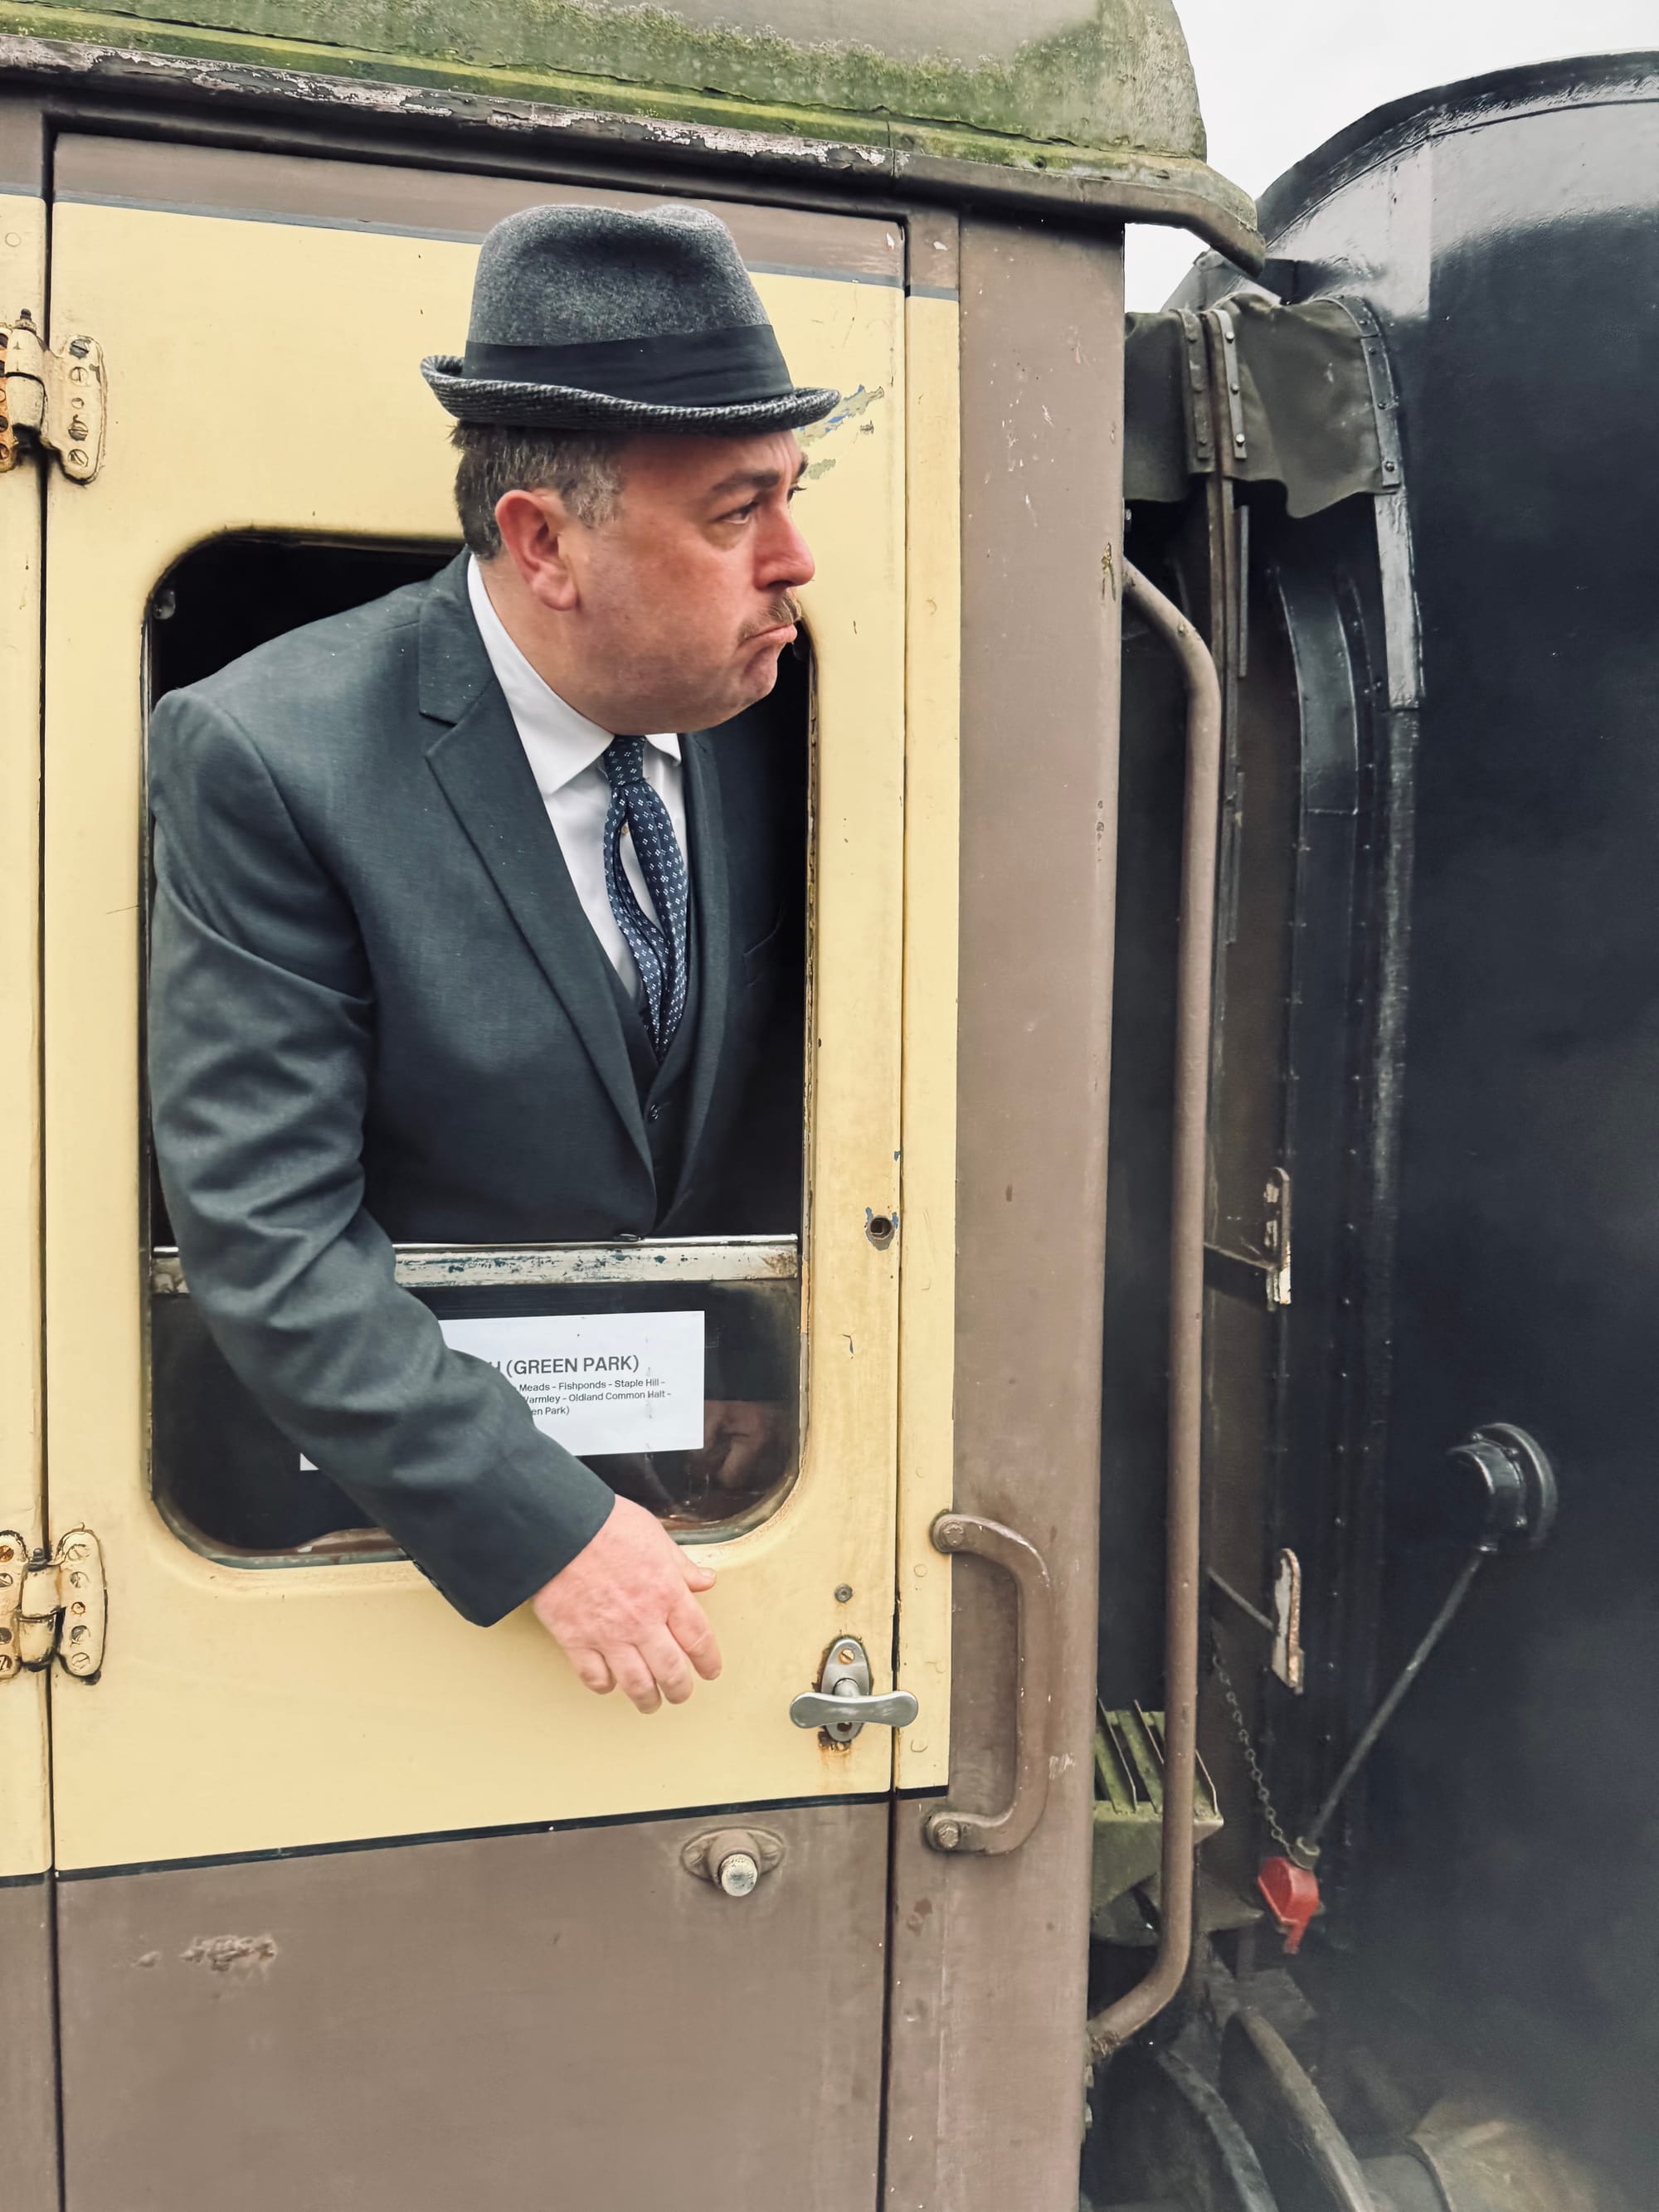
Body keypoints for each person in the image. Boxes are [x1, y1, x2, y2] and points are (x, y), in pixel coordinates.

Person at [145, 202, 835, 1715]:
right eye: (738, 514)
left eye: (792, 496)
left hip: (704, 1496)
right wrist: (541, 1525)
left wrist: (743, 1346)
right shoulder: (270, 754)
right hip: (354, 1545)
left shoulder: (758, 712)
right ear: (544, 543)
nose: (795, 562)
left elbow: (759, 1080)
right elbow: (266, 1233)